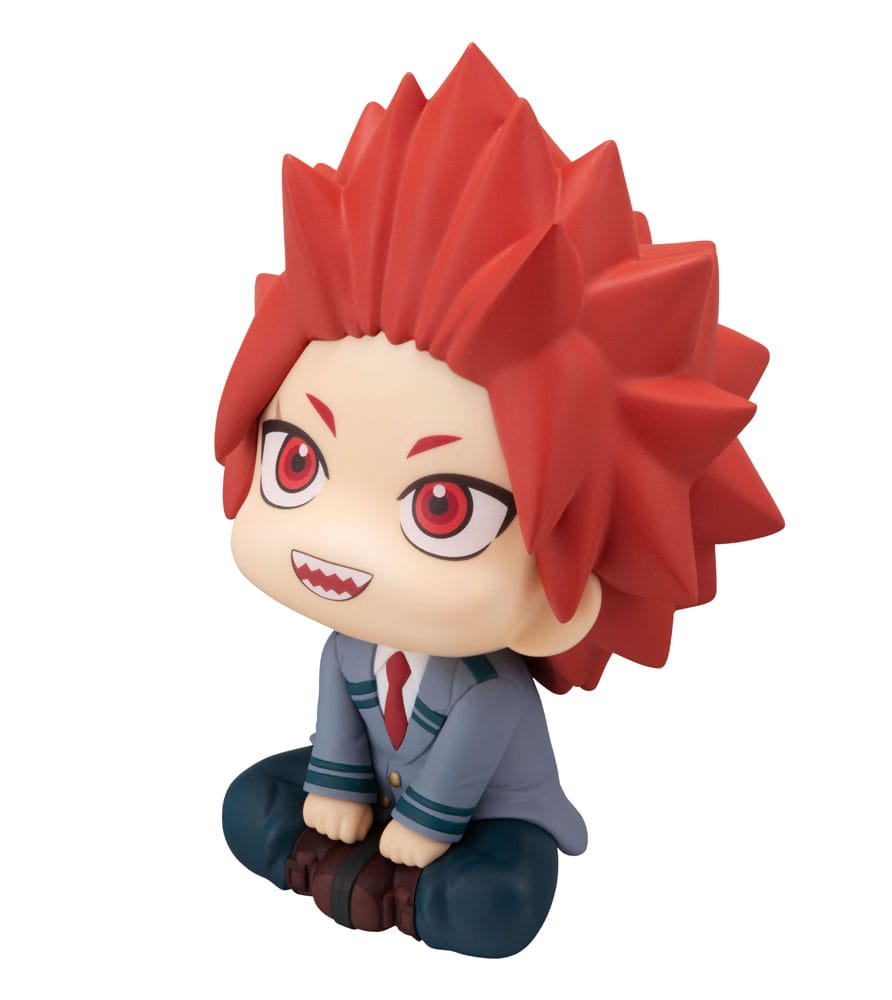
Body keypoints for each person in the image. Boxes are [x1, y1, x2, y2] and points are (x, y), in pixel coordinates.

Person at [215, 44, 782, 958]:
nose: (339, 542)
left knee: (496, 902)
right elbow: (337, 736)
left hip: (479, 814)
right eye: (298, 462)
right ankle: (361, 879)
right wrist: (335, 791)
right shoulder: (348, 647)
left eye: (442, 507)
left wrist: (419, 836)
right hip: (381, 794)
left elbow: (458, 776)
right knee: (248, 803)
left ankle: (406, 895)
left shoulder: (490, 692)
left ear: (569, 588)